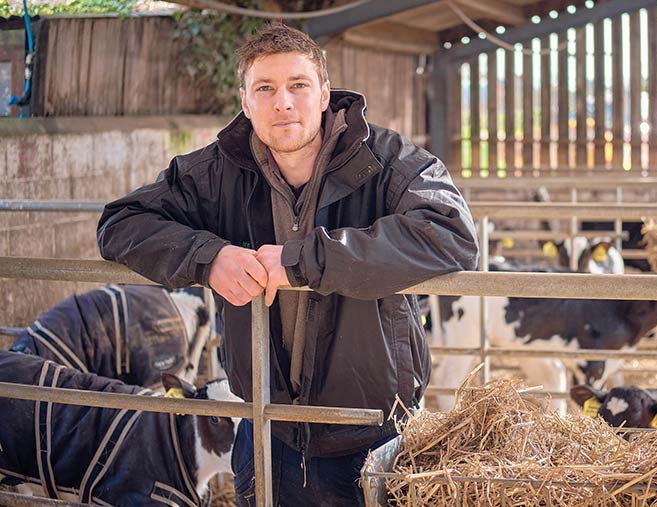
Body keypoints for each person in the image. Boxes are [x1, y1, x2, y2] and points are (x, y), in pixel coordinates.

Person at [97, 22, 478, 506]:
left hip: (372, 433)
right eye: (266, 88)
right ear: (245, 101)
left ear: (323, 94)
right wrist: (208, 257)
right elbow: (120, 222)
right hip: (263, 426)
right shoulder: (216, 172)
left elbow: (452, 234)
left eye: (298, 85)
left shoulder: (387, 162)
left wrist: (301, 262)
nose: (283, 102)